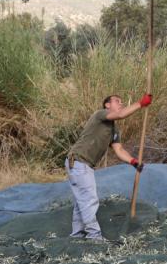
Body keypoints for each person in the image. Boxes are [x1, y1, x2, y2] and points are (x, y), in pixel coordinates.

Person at [65, 92, 152, 240]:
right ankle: (95, 237)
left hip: (85, 164)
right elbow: (121, 114)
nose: (121, 103)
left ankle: (77, 235)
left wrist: (133, 162)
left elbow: (119, 150)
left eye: (121, 102)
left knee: (82, 202)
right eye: (117, 101)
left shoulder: (114, 130)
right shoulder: (100, 115)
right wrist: (140, 104)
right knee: (90, 199)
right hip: (78, 161)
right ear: (107, 105)